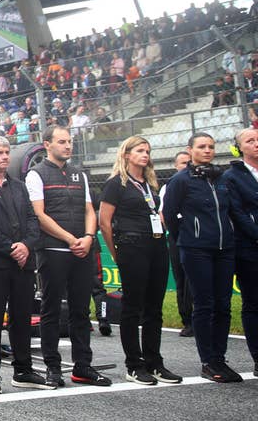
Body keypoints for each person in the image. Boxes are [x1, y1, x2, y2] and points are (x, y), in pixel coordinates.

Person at [26, 126, 110, 388]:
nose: (68, 146)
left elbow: (89, 209)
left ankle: (82, 366)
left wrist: (87, 236)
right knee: (50, 310)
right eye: (61, 141)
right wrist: (69, 238)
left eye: (70, 141)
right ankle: (52, 367)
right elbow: (39, 214)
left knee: (81, 311)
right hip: (53, 250)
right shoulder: (36, 174)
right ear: (47, 144)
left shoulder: (79, 174)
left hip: (82, 249)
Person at [99, 136, 182, 386]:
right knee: (133, 307)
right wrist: (116, 252)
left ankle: (154, 362)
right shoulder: (116, 184)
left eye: (147, 151)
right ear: (126, 155)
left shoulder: (150, 184)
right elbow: (105, 222)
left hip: (157, 245)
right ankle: (134, 365)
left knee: (154, 307)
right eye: (139, 150)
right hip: (131, 247)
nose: (145, 155)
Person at [163, 133, 241, 382]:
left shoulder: (222, 178)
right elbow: (170, 213)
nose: (207, 150)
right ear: (191, 150)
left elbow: (231, 211)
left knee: (223, 305)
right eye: (201, 147)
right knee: (204, 304)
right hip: (196, 249)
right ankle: (208, 361)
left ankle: (220, 357)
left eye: (211, 147)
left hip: (225, 248)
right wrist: (188, 237)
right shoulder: (180, 181)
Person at [0, 135, 42, 393]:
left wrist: (26, 245)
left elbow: (32, 219)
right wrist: (9, 247)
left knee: (22, 317)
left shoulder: (18, 185)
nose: (5, 156)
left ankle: (23, 369)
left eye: (7, 152)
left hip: (23, 261)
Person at [221, 129, 258, 377]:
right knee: (254, 303)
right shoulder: (232, 177)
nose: (257, 144)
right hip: (249, 248)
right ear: (239, 148)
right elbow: (237, 212)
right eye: (251, 141)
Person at [162, 150, 193, 336]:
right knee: (181, 278)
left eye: (189, 162)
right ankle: (187, 319)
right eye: (182, 163)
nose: (186, 165)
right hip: (177, 235)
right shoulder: (171, 185)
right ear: (175, 165)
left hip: (196, 235)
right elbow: (164, 214)